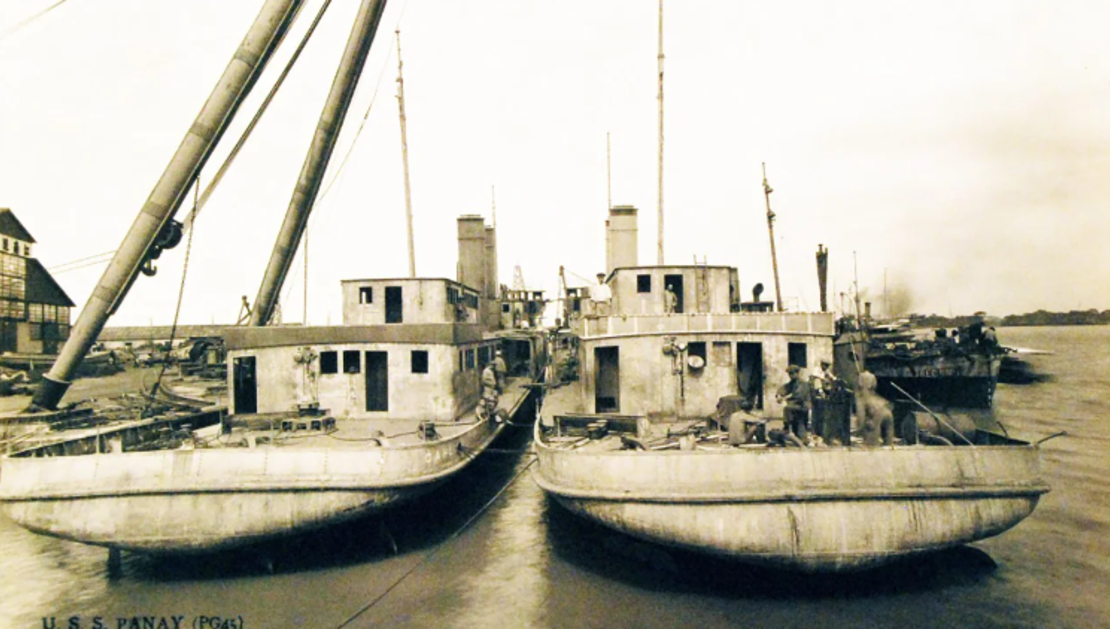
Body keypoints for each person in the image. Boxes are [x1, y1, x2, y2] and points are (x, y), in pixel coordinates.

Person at [856, 369, 893, 446]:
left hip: (877, 414)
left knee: (872, 441)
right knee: (888, 440)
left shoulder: (862, 397)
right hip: (887, 411)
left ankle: (873, 445)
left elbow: (861, 416)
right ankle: (888, 444)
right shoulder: (874, 395)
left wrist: (860, 429)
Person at [776, 365, 811, 440]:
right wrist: (779, 395)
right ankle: (791, 432)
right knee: (797, 431)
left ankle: (786, 427)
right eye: (789, 374)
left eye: (792, 373)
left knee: (787, 409)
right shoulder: (792, 383)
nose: (790, 376)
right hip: (795, 407)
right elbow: (784, 388)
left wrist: (785, 398)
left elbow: (798, 396)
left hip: (802, 407)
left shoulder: (803, 384)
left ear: (797, 373)